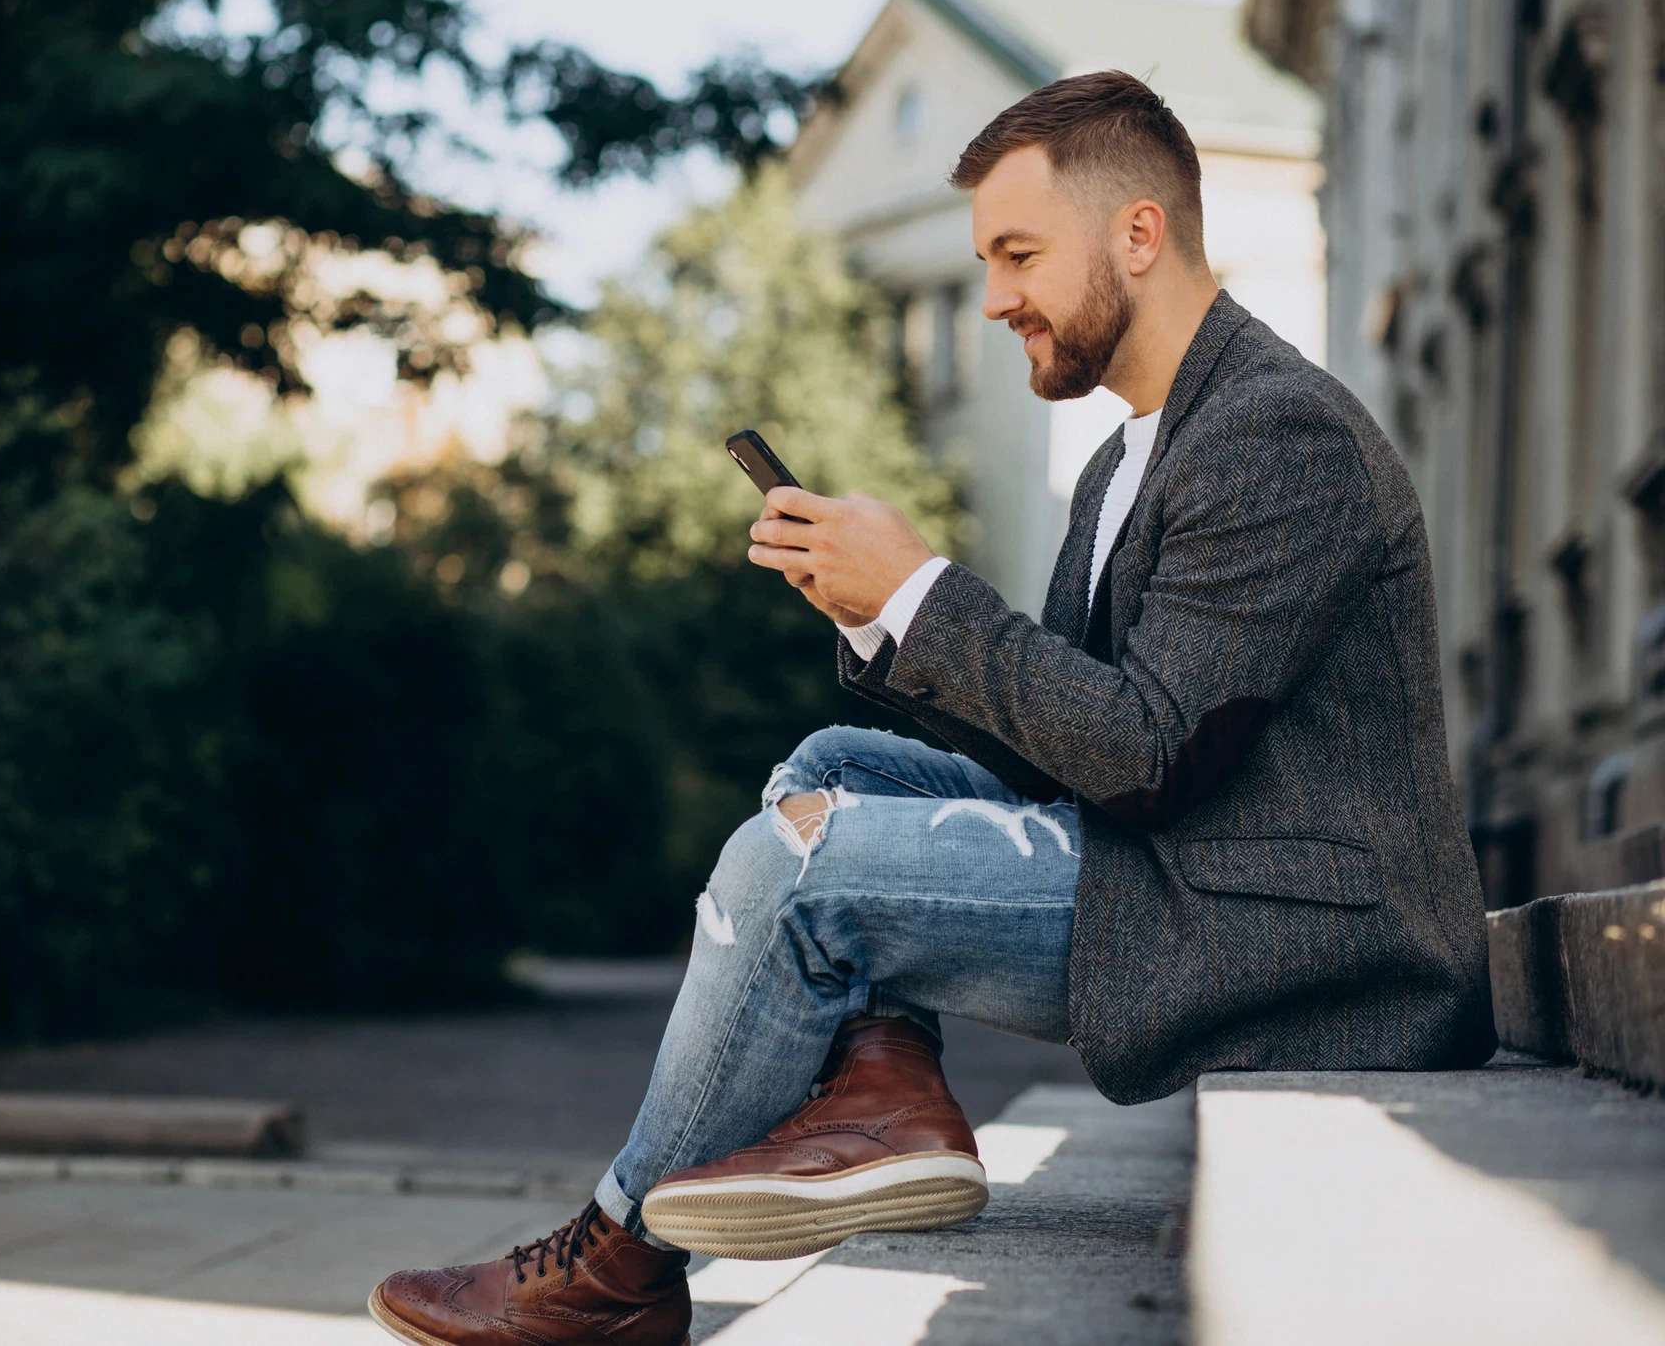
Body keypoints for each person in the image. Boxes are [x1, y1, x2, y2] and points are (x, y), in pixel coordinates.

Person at [366, 69, 1495, 1346]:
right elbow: (1070, 751)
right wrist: (876, 617)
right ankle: (887, 1089)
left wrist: (922, 592)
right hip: (1187, 869)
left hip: (1298, 939)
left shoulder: (1276, 431)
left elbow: (1146, 756)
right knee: (830, 766)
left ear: (1138, 233)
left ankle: (617, 1263)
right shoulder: (1133, 457)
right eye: (984, 261)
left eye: (1018, 253)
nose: (995, 295)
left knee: (793, 865)